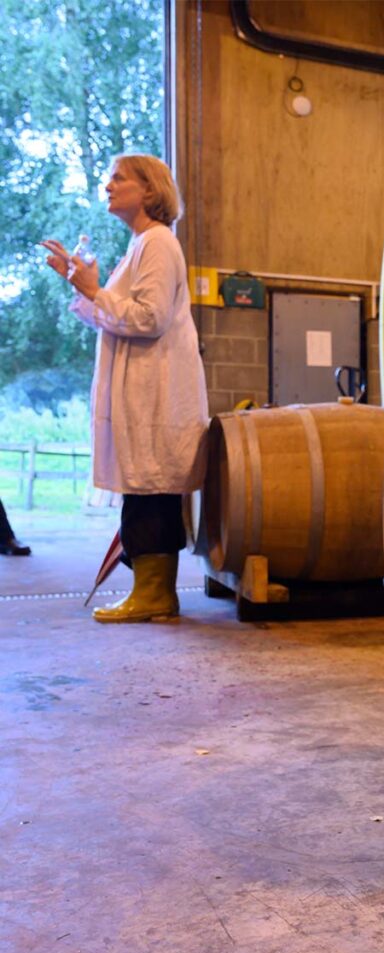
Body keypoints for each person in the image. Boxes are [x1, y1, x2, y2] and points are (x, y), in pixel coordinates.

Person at [41, 154, 208, 622]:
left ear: (149, 190)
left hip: (154, 394)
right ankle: (151, 592)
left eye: (119, 178)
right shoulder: (142, 244)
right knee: (143, 490)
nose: (108, 185)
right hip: (142, 394)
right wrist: (83, 287)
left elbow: (148, 319)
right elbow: (117, 315)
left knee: (151, 491)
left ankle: (155, 594)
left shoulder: (157, 243)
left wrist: (95, 291)